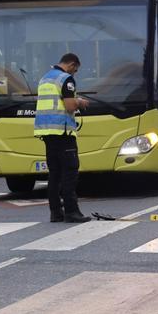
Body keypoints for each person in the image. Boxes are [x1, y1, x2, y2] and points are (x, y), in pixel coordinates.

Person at [34, 53, 91, 223]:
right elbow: (69, 106)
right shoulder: (66, 79)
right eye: (75, 69)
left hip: (47, 131)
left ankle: (55, 212)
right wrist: (80, 102)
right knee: (70, 172)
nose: (75, 73)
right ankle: (72, 212)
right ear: (72, 64)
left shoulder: (45, 78)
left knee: (55, 173)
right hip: (63, 131)